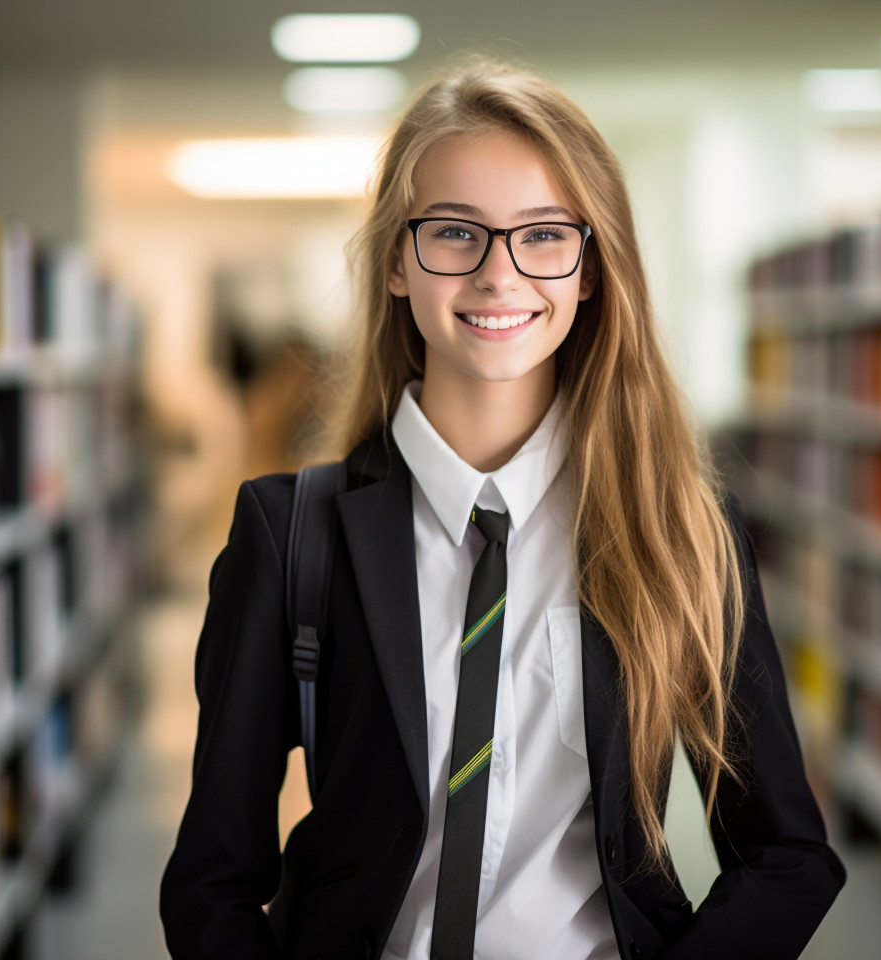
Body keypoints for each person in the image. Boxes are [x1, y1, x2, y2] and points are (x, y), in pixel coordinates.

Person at [160, 58, 846, 960]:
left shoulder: (679, 530)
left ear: (591, 269)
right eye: (455, 233)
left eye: (544, 236)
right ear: (398, 260)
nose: (499, 273)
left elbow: (788, 854)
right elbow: (210, 883)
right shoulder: (291, 535)